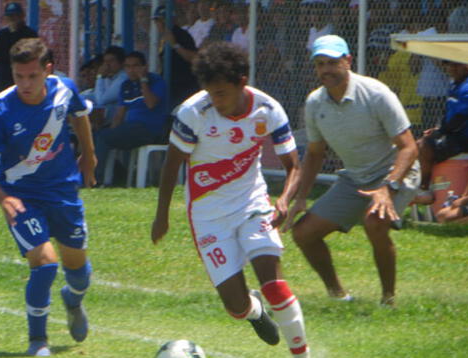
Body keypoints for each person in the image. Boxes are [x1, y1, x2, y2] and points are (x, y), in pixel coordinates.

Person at [151, 42, 309, 357]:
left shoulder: (268, 109)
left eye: (221, 93)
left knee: (274, 285)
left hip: (253, 204)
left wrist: (284, 200)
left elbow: (295, 167)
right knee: (236, 307)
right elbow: (171, 167)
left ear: (241, 82)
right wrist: (162, 215)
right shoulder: (193, 113)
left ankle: (301, 354)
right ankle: (254, 311)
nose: (215, 101)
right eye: (210, 93)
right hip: (208, 216)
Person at [0, 38, 96, 356]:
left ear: (47, 70)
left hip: (62, 192)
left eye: (32, 76)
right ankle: (37, 343)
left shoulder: (64, 90)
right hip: (21, 196)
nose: (25, 84)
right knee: (44, 265)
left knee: (78, 272)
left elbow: (80, 114)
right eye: (18, 77)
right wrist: (3, 199)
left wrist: (88, 155)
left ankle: (73, 298)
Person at [284, 35, 420, 307]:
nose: (326, 70)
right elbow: (314, 153)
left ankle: (388, 300)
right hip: (354, 178)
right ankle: (338, 296)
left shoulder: (376, 93)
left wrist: (388, 187)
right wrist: (300, 198)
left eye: (332, 63)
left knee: (375, 222)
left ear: (348, 61)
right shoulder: (315, 102)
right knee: (303, 233)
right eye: (320, 64)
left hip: (396, 173)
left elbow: (409, 148)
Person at [94, 51, 168, 184]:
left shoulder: (156, 81)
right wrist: (112, 131)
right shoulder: (125, 85)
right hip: (130, 128)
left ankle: (96, 180)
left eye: (135, 66)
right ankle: (102, 177)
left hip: (149, 129)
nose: (131, 70)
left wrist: (143, 80)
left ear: (144, 67)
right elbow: (119, 115)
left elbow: (151, 103)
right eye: (127, 66)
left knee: (103, 138)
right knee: (99, 136)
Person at [415, 62, 468, 204]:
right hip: (458, 135)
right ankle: (426, 188)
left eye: (457, 65)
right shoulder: (457, 83)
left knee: (424, 145)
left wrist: (439, 132)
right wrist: (437, 129)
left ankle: (424, 189)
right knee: (420, 143)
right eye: (448, 65)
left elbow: (458, 119)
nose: (452, 68)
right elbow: (450, 115)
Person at [152, 5, 200, 110]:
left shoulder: (181, 34)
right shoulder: (162, 38)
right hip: (169, 86)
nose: (158, 24)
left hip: (184, 86)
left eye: (161, 20)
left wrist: (175, 44)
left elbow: (193, 58)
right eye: (157, 21)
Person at [0, 2, 38, 94]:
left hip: (24, 84)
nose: (13, 19)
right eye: (10, 16)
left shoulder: (29, 34)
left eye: (16, 16)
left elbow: (32, 55)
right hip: (4, 83)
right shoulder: (2, 34)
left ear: (22, 16)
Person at [436, 140, 468, 224]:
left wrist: (464, 200)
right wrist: (462, 199)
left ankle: (456, 227)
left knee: (449, 218)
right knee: (442, 215)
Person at [92, 46, 128, 129]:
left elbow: (101, 101)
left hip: (120, 124)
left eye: (111, 61)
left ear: (121, 62)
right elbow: (97, 95)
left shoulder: (123, 78)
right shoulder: (110, 76)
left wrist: (100, 77)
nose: (107, 65)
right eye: (105, 61)